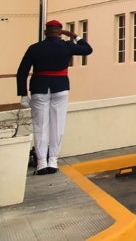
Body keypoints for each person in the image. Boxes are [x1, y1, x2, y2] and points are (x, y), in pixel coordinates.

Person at [17, 20, 93, 175]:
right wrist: (74, 36)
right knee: (57, 126)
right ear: (60, 32)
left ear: (45, 32)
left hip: (39, 88)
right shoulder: (67, 45)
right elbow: (88, 49)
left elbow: (22, 72)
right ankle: (53, 161)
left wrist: (23, 94)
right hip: (60, 88)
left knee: (40, 127)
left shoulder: (34, 48)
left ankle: (41, 164)